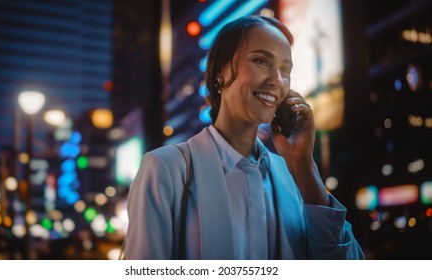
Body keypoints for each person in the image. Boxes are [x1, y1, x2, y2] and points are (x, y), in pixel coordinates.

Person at [124, 15, 365, 260]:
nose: (277, 81)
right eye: (261, 61)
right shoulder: (165, 169)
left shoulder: (294, 175)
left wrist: (303, 165)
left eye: (285, 69)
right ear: (221, 71)